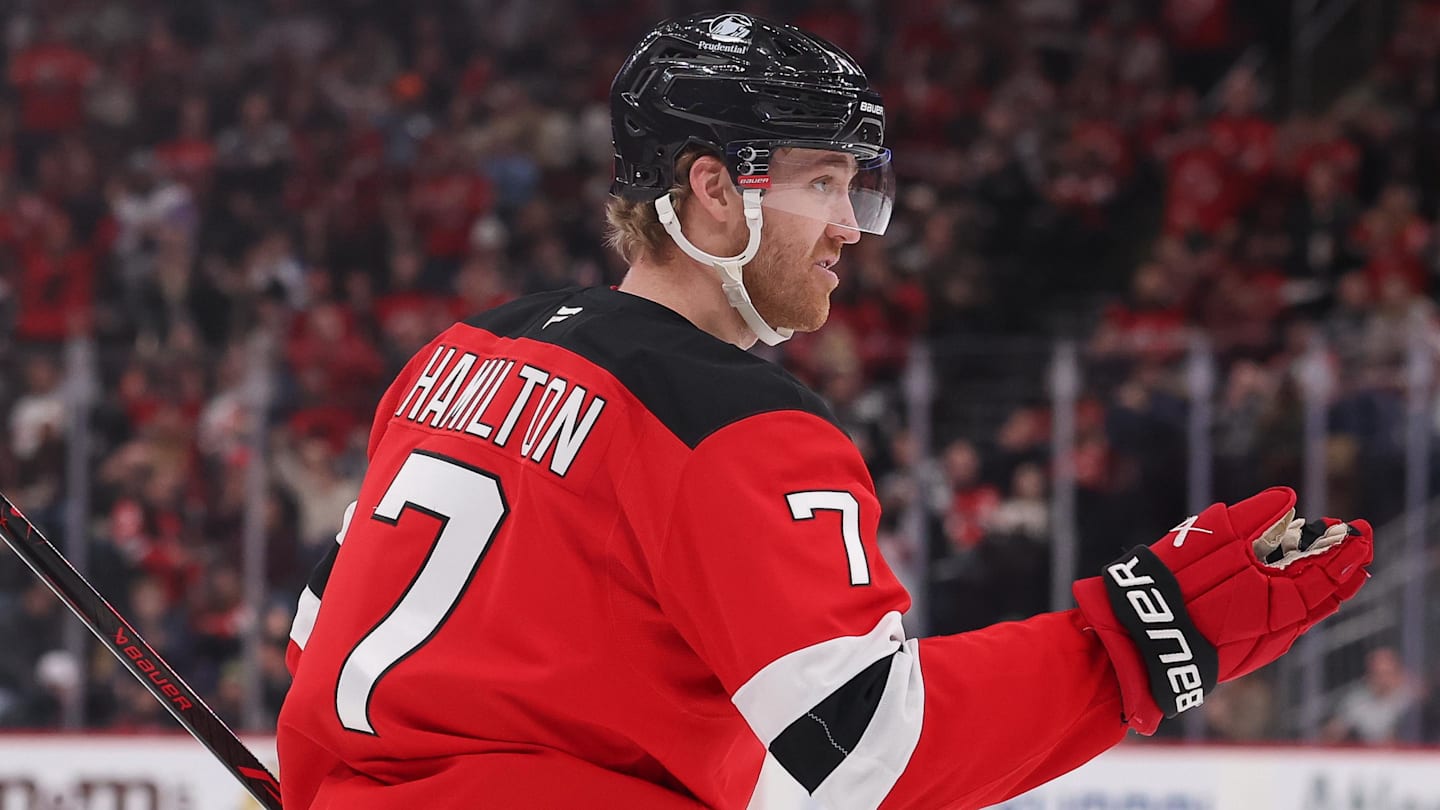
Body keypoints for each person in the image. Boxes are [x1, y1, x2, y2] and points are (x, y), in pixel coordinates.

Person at [276, 12, 1374, 809]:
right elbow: (868, 751)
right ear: (714, 188)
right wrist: (1142, 638)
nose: (853, 225)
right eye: (822, 183)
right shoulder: (737, 429)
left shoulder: (459, 354)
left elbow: (317, 643)